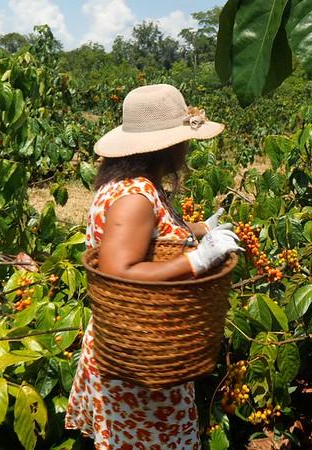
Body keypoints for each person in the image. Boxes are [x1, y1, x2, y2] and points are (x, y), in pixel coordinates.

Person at [65, 84, 242, 450]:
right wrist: (197, 260)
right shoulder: (134, 198)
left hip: (137, 340)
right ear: (168, 144)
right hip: (140, 356)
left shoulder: (133, 185)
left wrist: (198, 230)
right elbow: (119, 273)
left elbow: (150, 239)